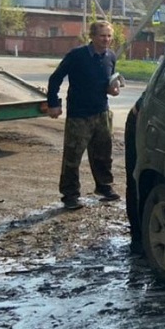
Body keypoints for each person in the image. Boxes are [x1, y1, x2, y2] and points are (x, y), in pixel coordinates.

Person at [47, 20, 122, 210]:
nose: (106, 39)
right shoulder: (77, 55)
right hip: (79, 115)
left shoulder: (110, 57)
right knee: (73, 157)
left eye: (109, 36)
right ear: (92, 36)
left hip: (102, 112)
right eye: (102, 35)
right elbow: (55, 78)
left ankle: (104, 187)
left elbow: (108, 83)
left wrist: (113, 89)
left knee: (103, 154)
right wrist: (53, 104)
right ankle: (70, 195)